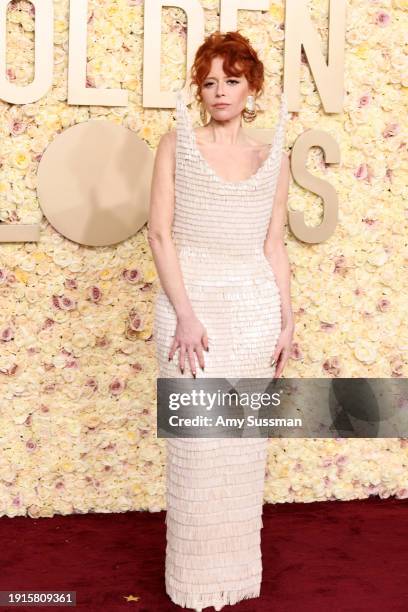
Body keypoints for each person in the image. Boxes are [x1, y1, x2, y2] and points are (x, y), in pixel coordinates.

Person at [148, 30, 294, 611]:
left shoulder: (271, 154)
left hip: (253, 309)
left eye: (231, 80)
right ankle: (193, 580)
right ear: (198, 89)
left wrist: (287, 319)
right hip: (191, 309)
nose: (220, 92)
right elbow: (160, 235)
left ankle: (236, 574)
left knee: (241, 446)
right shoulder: (175, 145)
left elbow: (274, 243)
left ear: (251, 85)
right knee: (197, 445)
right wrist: (185, 315)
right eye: (209, 82)